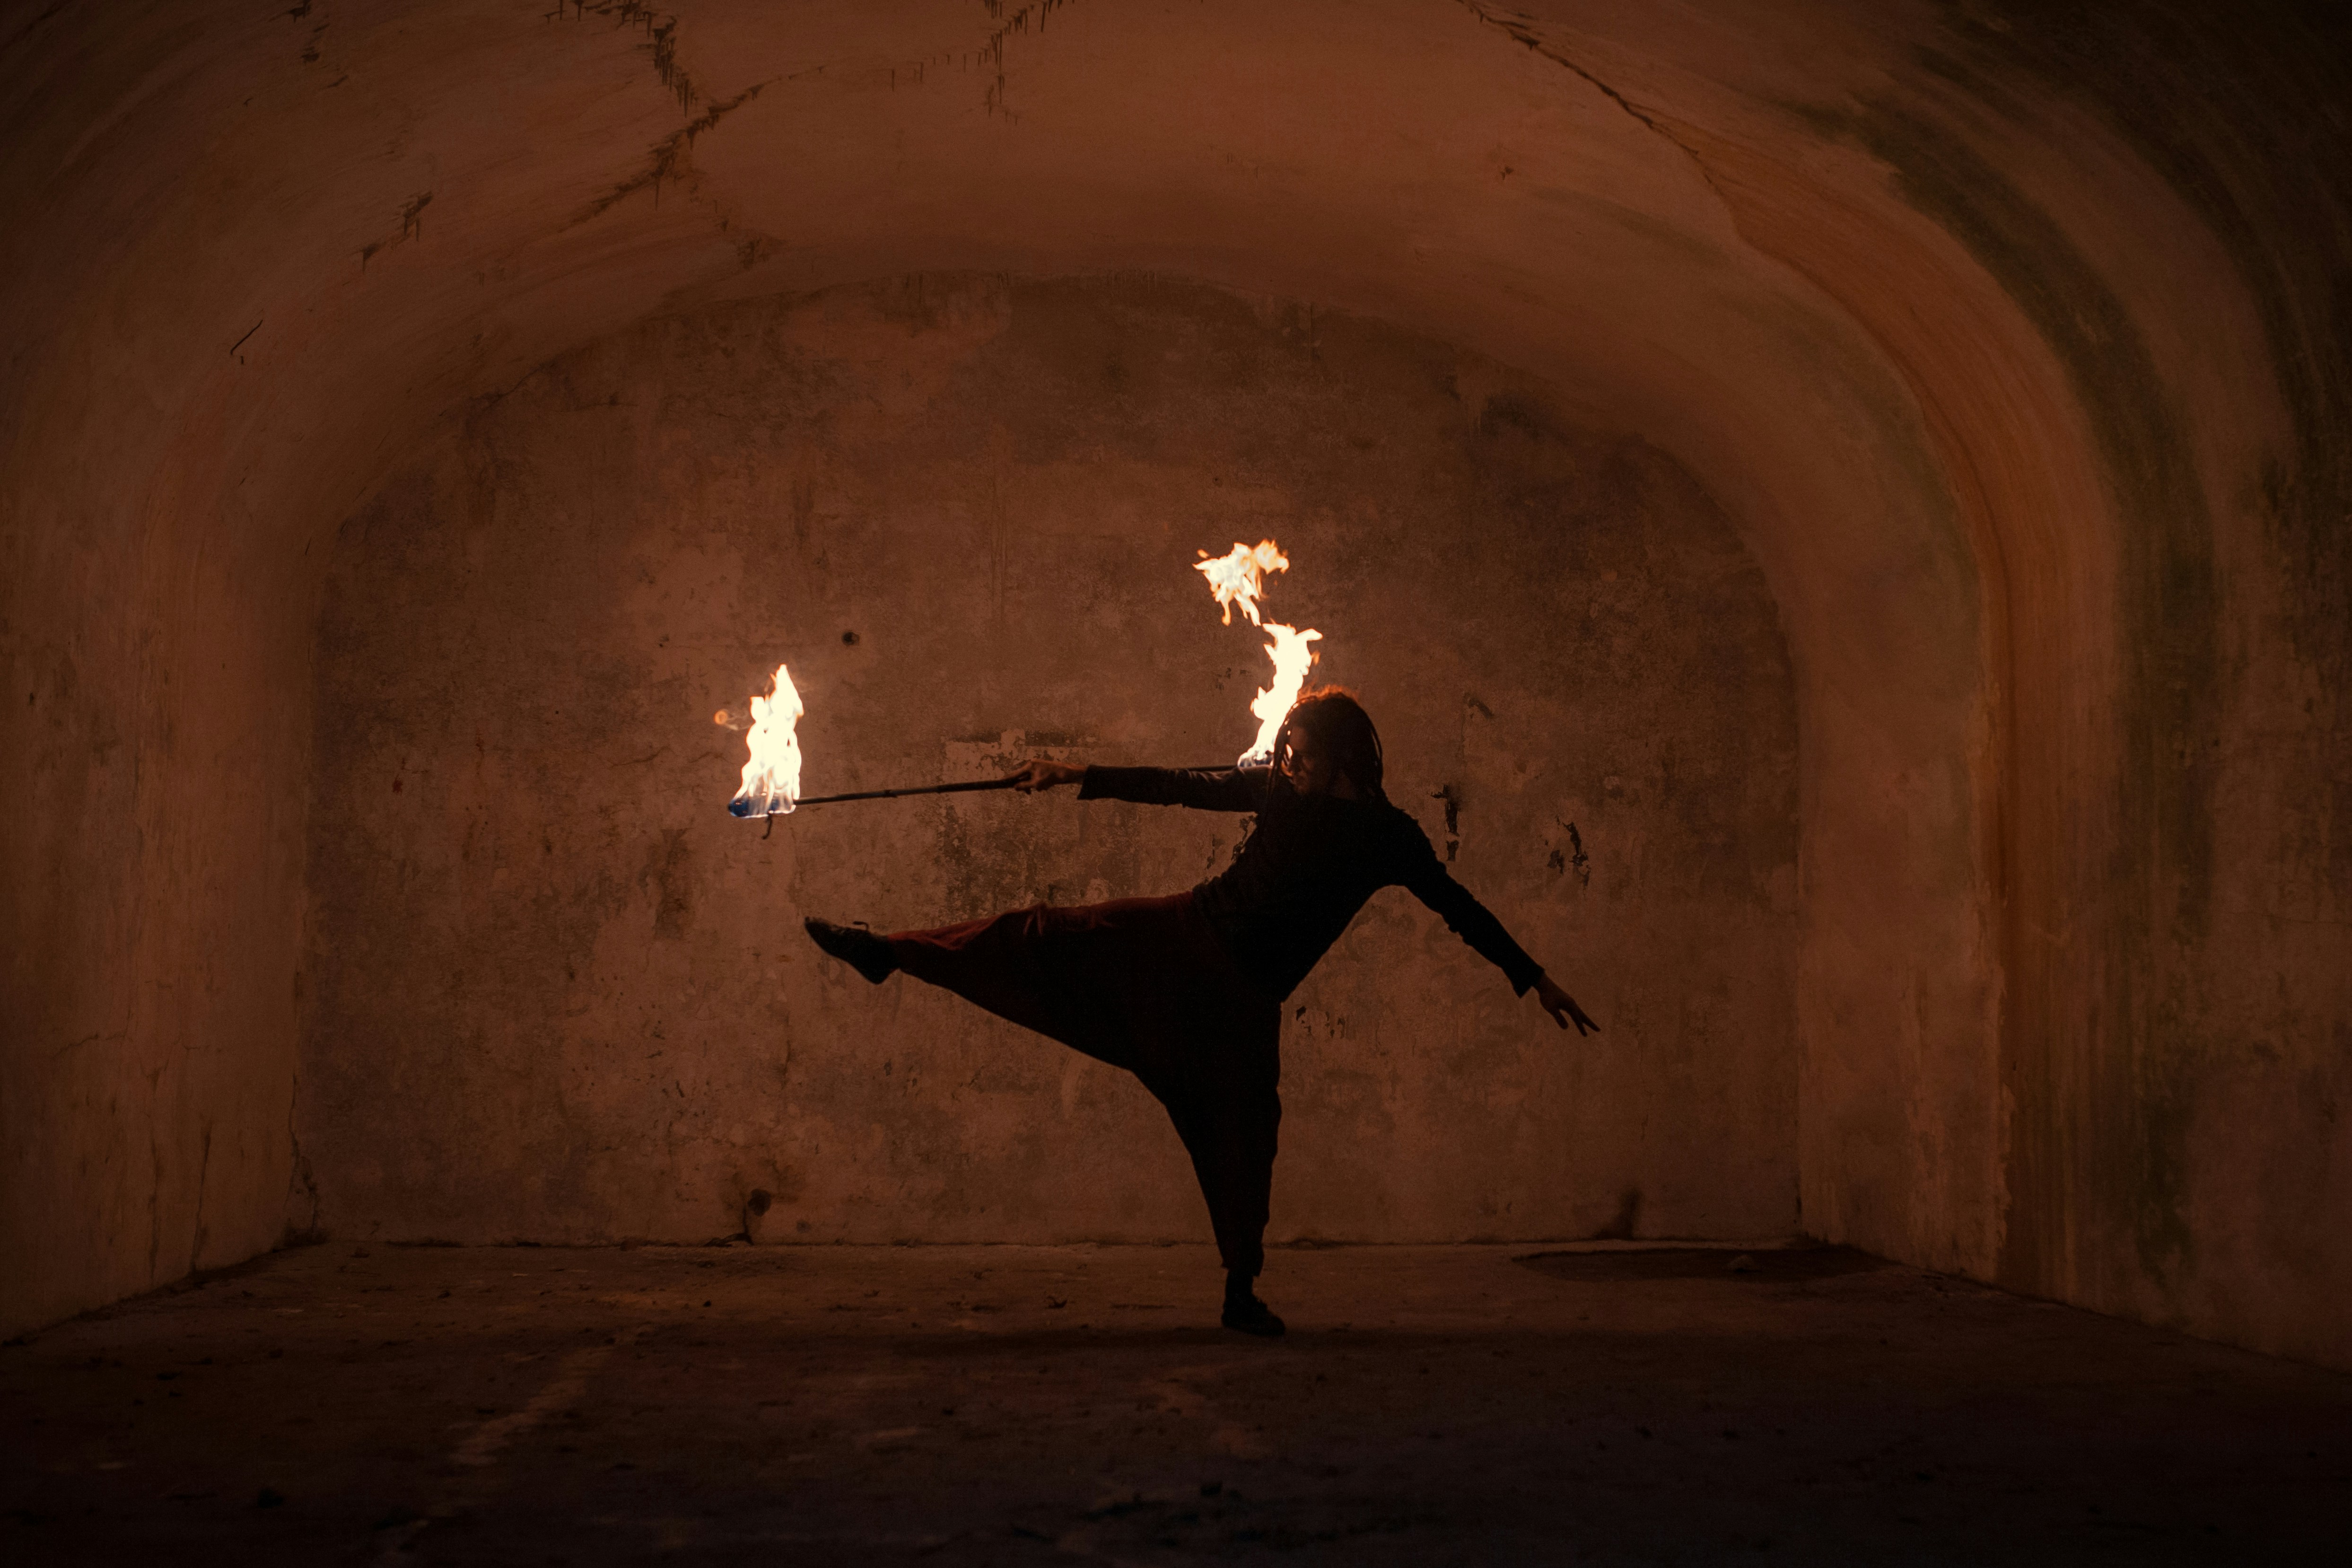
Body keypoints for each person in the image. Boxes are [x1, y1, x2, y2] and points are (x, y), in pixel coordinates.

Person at [804, 687, 1598, 1336]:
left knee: (1246, 1138)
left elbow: (1459, 908)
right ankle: (891, 952)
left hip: (1244, 1001)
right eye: (1285, 751)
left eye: (1303, 754)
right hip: (1181, 936)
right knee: (1039, 935)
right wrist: (1074, 772)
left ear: (1345, 760)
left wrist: (1534, 978)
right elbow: (1175, 786)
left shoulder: (1390, 839)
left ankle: (1240, 1291)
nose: (1287, 763)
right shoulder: (1274, 788)